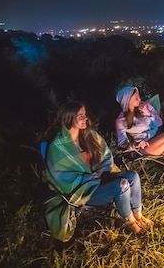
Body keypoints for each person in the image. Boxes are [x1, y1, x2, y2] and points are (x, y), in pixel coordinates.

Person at [43, 100, 153, 242]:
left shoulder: (90, 136)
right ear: (69, 117)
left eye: (85, 115)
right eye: (80, 116)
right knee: (122, 185)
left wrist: (102, 172)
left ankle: (138, 215)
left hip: (99, 179)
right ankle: (130, 222)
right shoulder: (57, 147)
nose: (85, 118)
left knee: (133, 176)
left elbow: (106, 156)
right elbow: (62, 179)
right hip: (83, 190)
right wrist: (89, 178)